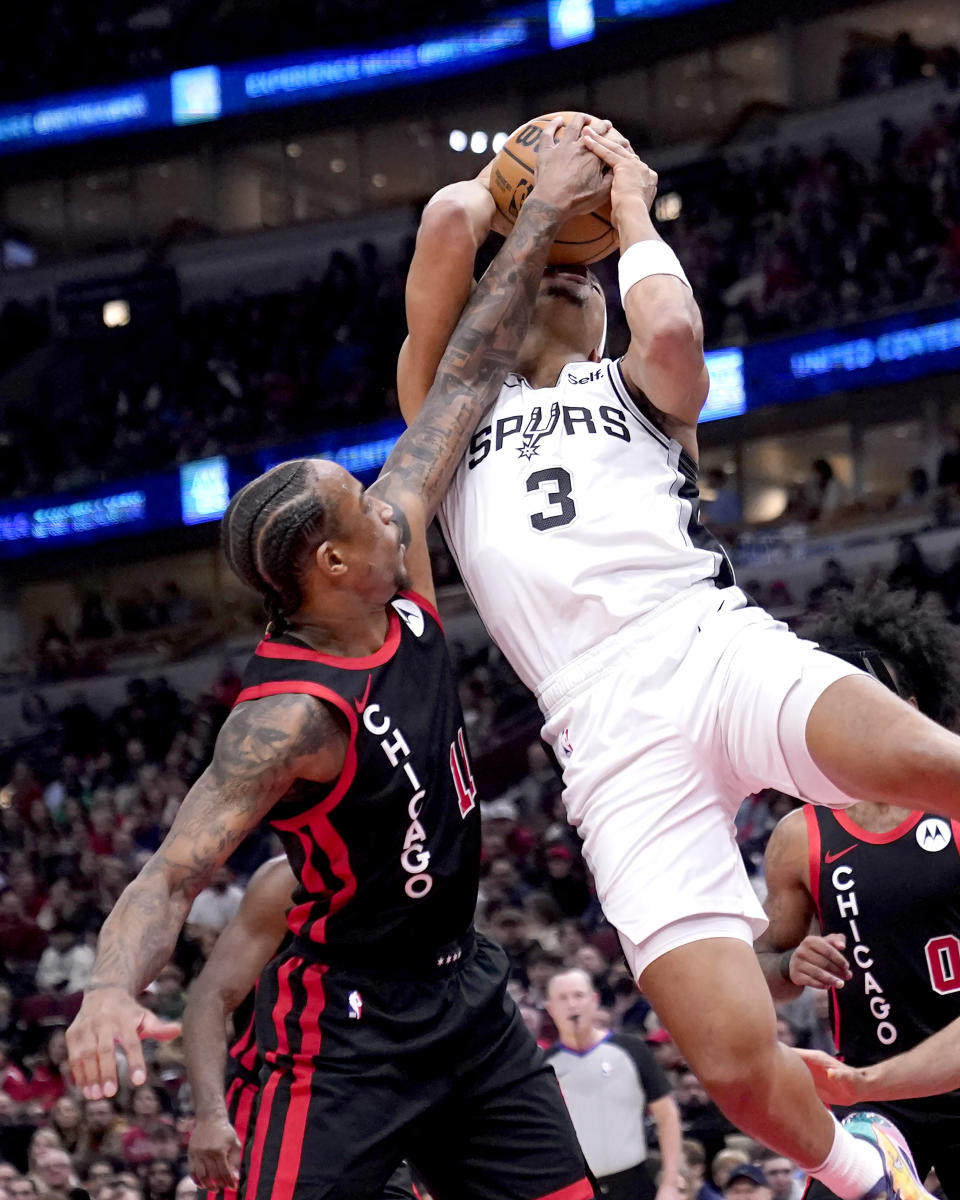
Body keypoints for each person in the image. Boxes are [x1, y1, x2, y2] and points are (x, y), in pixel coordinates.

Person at [398, 115, 960, 1195]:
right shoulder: (453, 413)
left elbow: (671, 339)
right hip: (605, 735)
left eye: (587, 279)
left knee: (936, 767)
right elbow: (445, 223)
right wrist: (522, 181)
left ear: (602, 290)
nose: (570, 284)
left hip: (708, 643)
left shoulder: (638, 389)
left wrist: (626, 205)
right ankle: (866, 1170)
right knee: (735, 1068)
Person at [66, 118, 611, 1200]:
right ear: (330, 562)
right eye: (361, 504)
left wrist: (543, 213)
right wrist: (103, 990)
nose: (385, 495)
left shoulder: (393, 565)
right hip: (347, 1031)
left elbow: (464, 376)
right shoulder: (287, 718)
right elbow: (172, 873)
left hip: (467, 996)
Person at [755, 586, 960, 1196]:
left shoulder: (952, 808)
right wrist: (792, 962)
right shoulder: (799, 835)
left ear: (911, 710)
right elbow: (764, 972)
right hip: (874, 1094)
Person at [182, 856, 414, 1200]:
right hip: (270, 1098)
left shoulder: (420, 881)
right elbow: (208, 1000)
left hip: (365, 1101)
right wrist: (210, 1115)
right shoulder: (288, 883)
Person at [544, 968, 683, 1200]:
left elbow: (667, 1115)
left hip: (636, 1183)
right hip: (578, 1189)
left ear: (594, 1000)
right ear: (550, 1009)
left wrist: (670, 1179)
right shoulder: (544, 1066)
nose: (572, 1005)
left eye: (578, 996)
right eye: (562, 998)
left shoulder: (631, 1049)